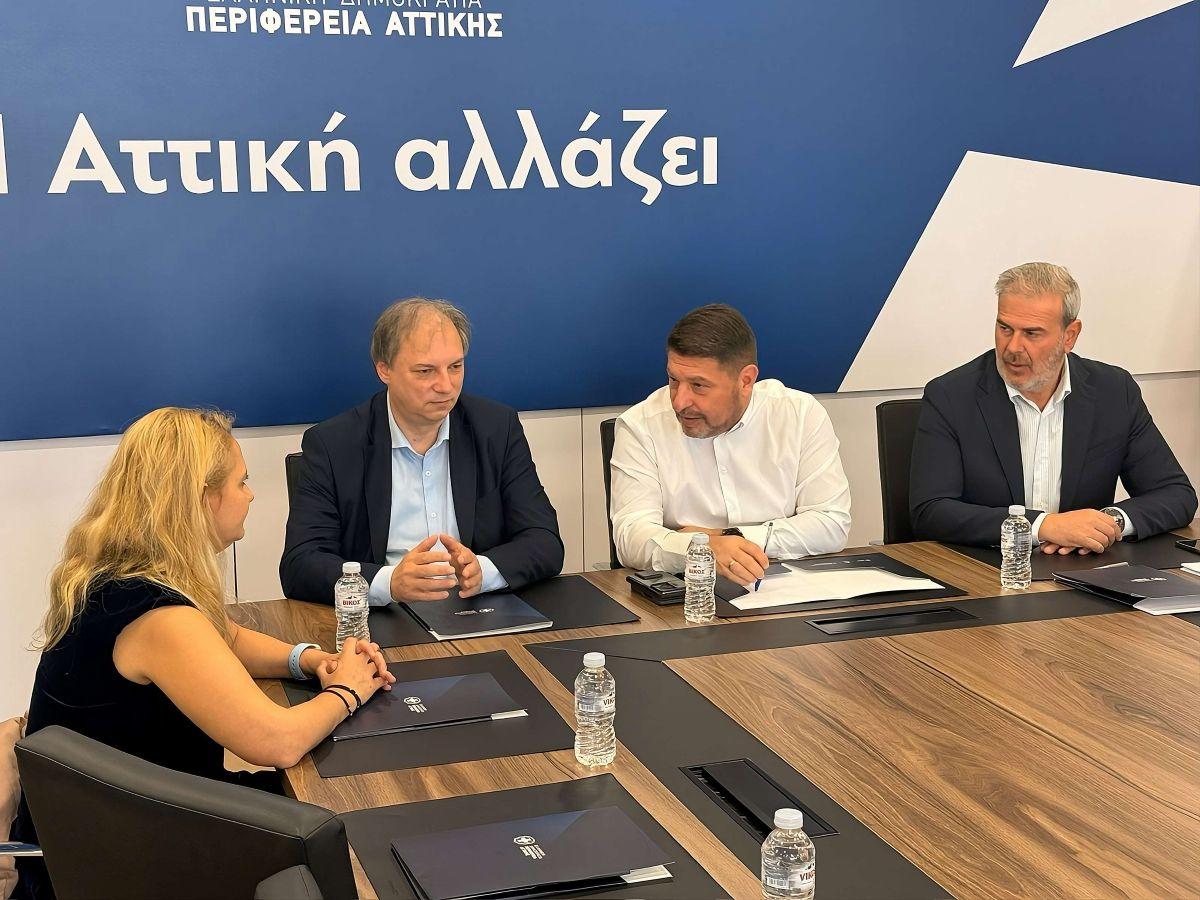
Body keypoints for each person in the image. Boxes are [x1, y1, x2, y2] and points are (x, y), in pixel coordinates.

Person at [12, 408, 395, 900]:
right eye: (241, 482)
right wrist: (348, 689)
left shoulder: (122, 576)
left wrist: (309, 659)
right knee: (347, 821)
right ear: (203, 498)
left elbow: (224, 637)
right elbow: (277, 741)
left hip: (100, 830)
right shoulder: (159, 619)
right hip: (137, 851)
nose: (250, 495)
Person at [280, 298, 564, 606]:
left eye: (455, 367)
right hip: (382, 616)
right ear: (384, 369)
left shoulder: (496, 429)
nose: (446, 385)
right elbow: (301, 565)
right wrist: (390, 583)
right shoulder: (333, 445)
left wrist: (482, 571)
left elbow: (545, 541)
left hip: (477, 607)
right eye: (426, 371)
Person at [910, 262, 1196, 552]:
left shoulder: (1113, 392)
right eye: (1005, 328)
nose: (1013, 347)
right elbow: (931, 511)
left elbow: (1176, 494)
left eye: (1032, 333)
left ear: (1069, 336)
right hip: (987, 566)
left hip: (1081, 569)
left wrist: (1107, 523)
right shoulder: (951, 396)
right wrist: (1042, 526)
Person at [610, 304, 852, 584]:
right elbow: (631, 538)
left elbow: (831, 523)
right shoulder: (641, 425)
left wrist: (723, 539)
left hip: (785, 586)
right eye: (674, 380)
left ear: (746, 380)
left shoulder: (799, 414)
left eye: (699, 385)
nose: (679, 401)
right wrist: (709, 550)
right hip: (686, 591)